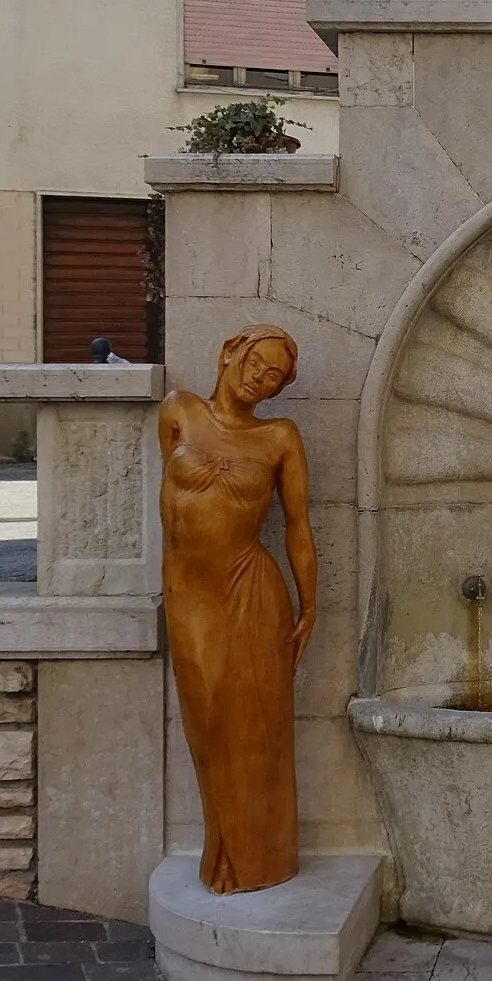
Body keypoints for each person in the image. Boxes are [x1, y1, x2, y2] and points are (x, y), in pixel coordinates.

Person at [158, 325, 317, 894]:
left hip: (251, 591)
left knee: (254, 729)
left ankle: (255, 860)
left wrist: (310, 604)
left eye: (275, 376)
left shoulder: (279, 437)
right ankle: (221, 848)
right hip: (189, 594)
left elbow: (297, 528)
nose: (261, 378)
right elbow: (175, 512)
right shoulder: (178, 411)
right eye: (257, 363)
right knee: (206, 720)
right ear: (230, 353)